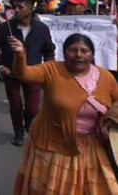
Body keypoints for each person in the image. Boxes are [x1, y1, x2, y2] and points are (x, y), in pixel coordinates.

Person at [12, 33, 118, 194]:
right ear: (64, 52)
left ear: (92, 54)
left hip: (92, 146)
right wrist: (20, 55)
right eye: (72, 50)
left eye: (85, 51)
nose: (79, 55)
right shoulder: (52, 69)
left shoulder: (106, 77)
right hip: (54, 145)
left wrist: (111, 118)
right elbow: (24, 74)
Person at [0, 0, 56, 146]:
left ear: (31, 8)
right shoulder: (6, 27)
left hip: (33, 73)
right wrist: (0, 65)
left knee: (32, 108)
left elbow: (49, 50)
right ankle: (18, 131)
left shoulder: (42, 29)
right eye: (14, 8)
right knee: (15, 105)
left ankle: (28, 120)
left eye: (20, 7)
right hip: (11, 73)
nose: (16, 11)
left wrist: (48, 69)